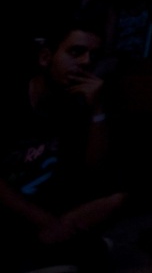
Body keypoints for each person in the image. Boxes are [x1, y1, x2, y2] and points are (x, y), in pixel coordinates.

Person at [1, 23, 125, 269]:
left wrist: (97, 110)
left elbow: (94, 172)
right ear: (46, 57)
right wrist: (47, 222)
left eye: (93, 55)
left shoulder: (77, 104)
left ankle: (54, 249)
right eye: (76, 52)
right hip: (14, 207)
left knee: (118, 196)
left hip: (49, 206)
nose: (86, 62)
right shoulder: (12, 98)